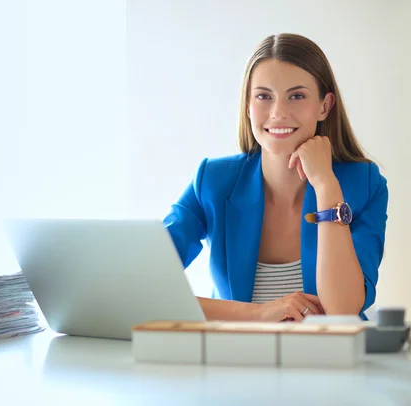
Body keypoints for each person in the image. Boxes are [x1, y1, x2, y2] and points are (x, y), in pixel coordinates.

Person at [163, 33, 388, 322]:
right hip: (234, 362)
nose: (278, 112)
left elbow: (343, 309)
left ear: (325, 105)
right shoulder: (212, 181)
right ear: (247, 105)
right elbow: (143, 290)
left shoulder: (366, 184)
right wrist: (261, 312)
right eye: (263, 96)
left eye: (296, 96)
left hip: (328, 363)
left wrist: (326, 185)